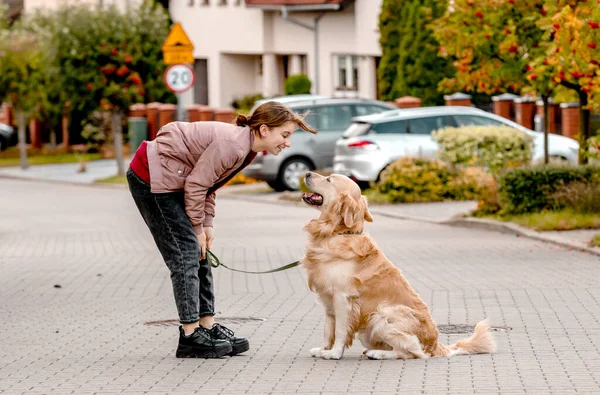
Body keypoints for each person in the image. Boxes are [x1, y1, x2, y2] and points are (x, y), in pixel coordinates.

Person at [126, 101, 317, 358]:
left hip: (174, 180)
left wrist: (207, 225)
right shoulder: (234, 146)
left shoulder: (245, 148)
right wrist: (197, 228)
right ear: (263, 130)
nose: (288, 143)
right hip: (151, 178)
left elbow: (208, 185)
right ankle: (191, 335)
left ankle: (206, 325)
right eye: (284, 135)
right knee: (185, 254)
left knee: (200, 253)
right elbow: (196, 184)